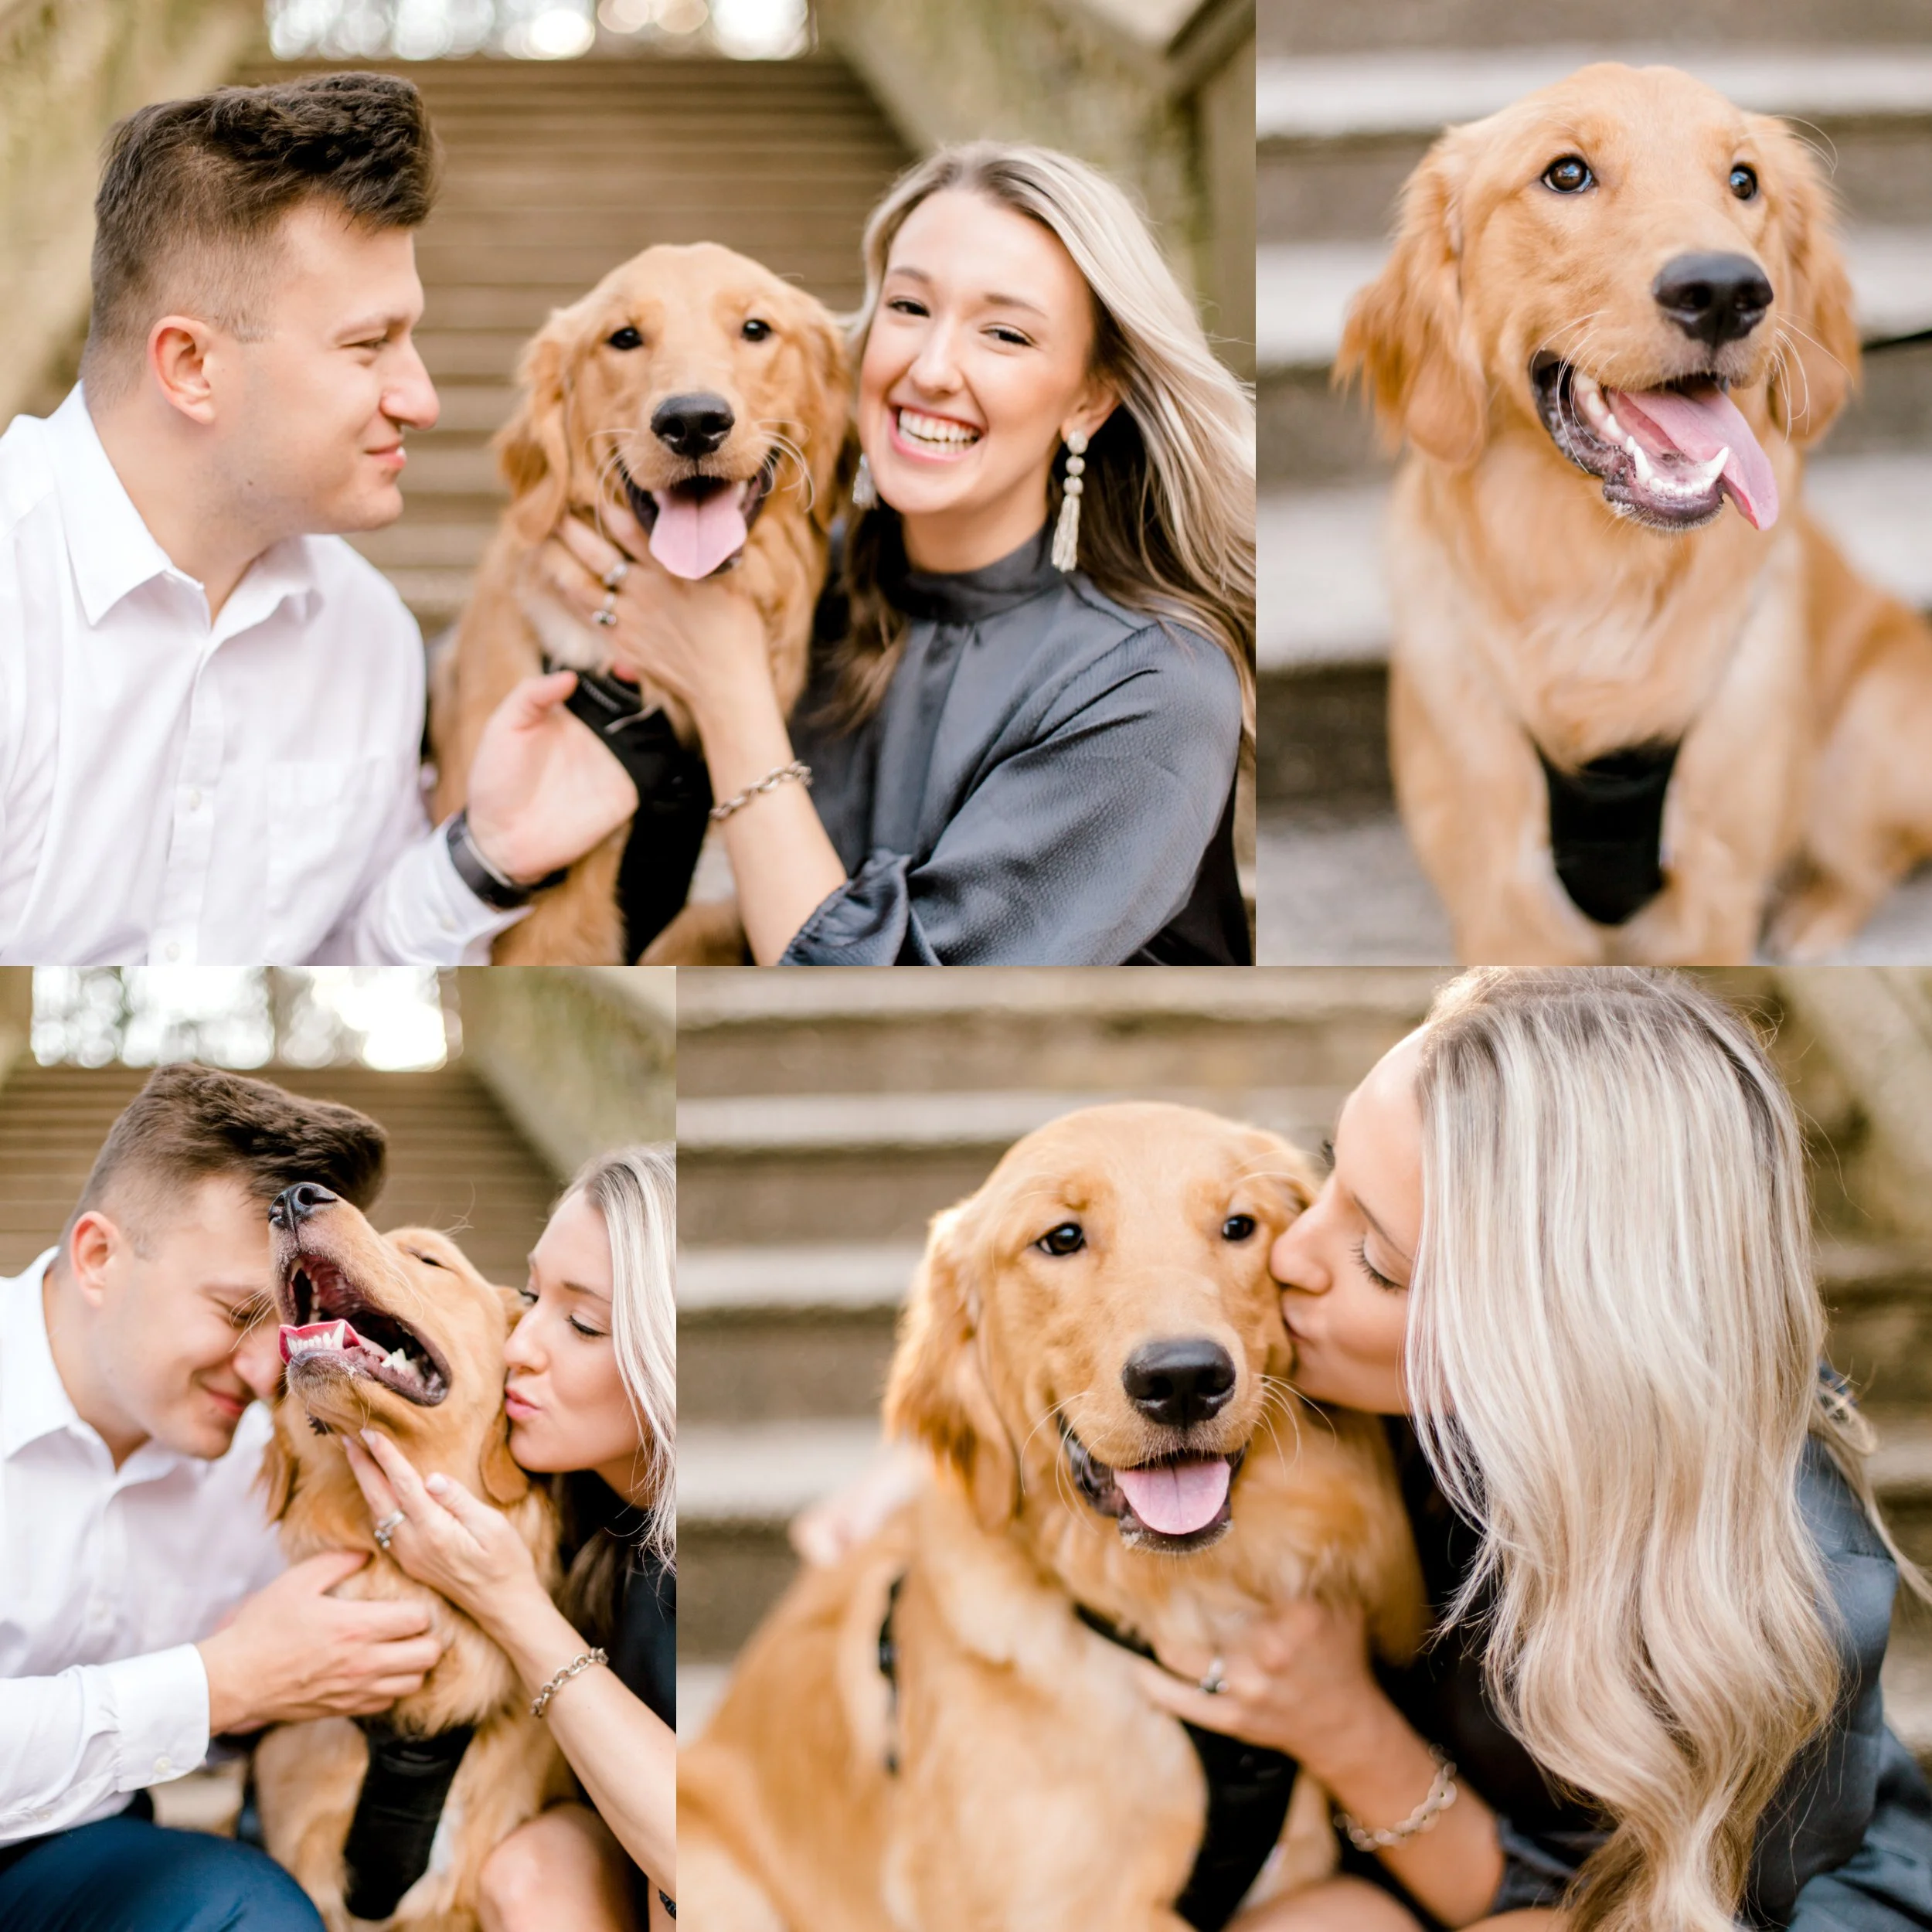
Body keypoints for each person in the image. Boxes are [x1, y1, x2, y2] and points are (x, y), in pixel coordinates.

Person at [1129, 968, 1932, 1932]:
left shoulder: (1790, 1575)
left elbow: (1642, 1907)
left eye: (1378, 1262)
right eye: (1330, 1173)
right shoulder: (1333, 1368)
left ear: (1560, 1342)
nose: (1292, 1252)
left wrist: (1349, 1733)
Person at [540, 142, 1254, 965]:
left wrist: (727, 689)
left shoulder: (1155, 686)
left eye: (1005, 333)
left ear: (1090, 398)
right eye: (909, 307)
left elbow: (892, 995)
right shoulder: (808, 584)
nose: (931, 368)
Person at [0, 71, 639, 964]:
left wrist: (482, 857)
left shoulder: (369, 635)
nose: (422, 399)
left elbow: (348, 955)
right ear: (190, 366)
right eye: (369, 345)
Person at [0, 1065, 451, 1931]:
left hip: (73, 1858)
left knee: (253, 1915)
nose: (263, 1373)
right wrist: (221, 1683)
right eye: (236, 1313)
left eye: (287, 1327)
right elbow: (234, 1681)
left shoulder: (265, 1455)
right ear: (98, 1258)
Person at [346, 1145, 676, 1930]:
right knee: (538, 1871)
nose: (518, 1344)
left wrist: (508, 1603)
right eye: (532, 1296)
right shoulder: (559, 1501)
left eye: (584, 1324)